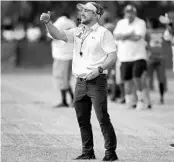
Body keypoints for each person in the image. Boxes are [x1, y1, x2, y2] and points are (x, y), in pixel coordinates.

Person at [40, 2, 118, 161]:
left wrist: (100, 70)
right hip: (80, 82)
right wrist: (48, 23)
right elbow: (58, 35)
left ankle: (110, 153)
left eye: (87, 10)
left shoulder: (104, 33)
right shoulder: (77, 31)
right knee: (82, 120)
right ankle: (88, 152)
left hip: (97, 81)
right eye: (82, 10)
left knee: (102, 118)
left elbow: (112, 57)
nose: (82, 13)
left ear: (96, 15)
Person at [113, 4, 150, 110]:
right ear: (125, 13)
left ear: (135, 13)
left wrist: (123, 36)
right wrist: (129, 34)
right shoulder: (121, 23)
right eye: (128, 12)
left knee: (137, 77)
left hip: (138, 56)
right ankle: (129, 101)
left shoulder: (140, 22)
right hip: (124, 57)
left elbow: (138, 37)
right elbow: (115, 36)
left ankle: (141, 100)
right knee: (127, 80)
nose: (129, 14)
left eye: (131, 12)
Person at [47, 12, 76, 108]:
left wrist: (48, 23)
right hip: (70, 54)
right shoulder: (72, 23)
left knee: (61, 79)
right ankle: (66, 100)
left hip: (61, 55)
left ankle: (72, 100)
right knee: (65, 79)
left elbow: (51, 35)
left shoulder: (59, 22)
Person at [146, 18, 167, 104]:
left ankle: (159, 97)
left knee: (153, 78)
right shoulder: (162, 31)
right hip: (157, 57)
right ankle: (160, 98)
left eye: (149, 22)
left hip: (154, 57)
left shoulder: (147, 32)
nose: (148, 24)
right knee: (158, 78)